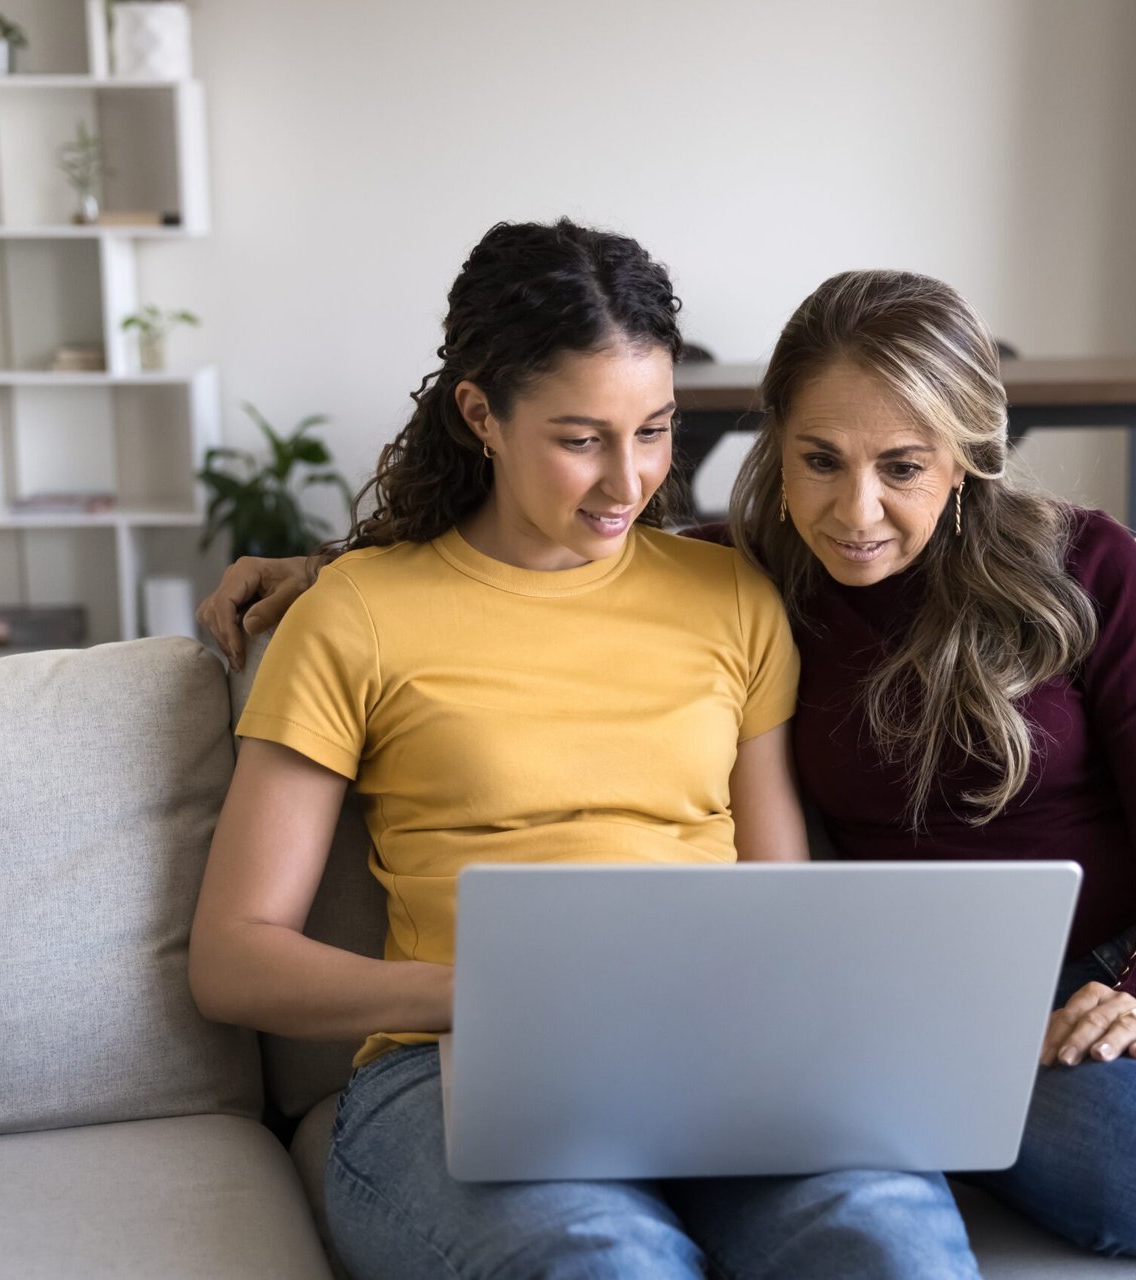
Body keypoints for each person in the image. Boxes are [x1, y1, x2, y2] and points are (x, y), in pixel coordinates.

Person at [201, 267, 1136, 1276]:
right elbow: (545, 562)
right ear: (776, 450)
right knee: (1134, 1170)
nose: (856, 508)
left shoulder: (1081, 561)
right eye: (820, 459)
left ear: (969, 452)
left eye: (902, 464)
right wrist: (329, 570)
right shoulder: (750, 571)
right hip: (979, 986)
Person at [186, 223, 980, 1280]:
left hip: (716, 1049)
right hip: (453, 1065)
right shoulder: (355, 616)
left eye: (653, 431)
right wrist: (493, 991)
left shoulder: (730, 594)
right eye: (580, 438)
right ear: (481, 413)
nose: (628, 482)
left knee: (890, 1242)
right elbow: (234, 955)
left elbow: (777, 903)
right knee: (606, 1261)